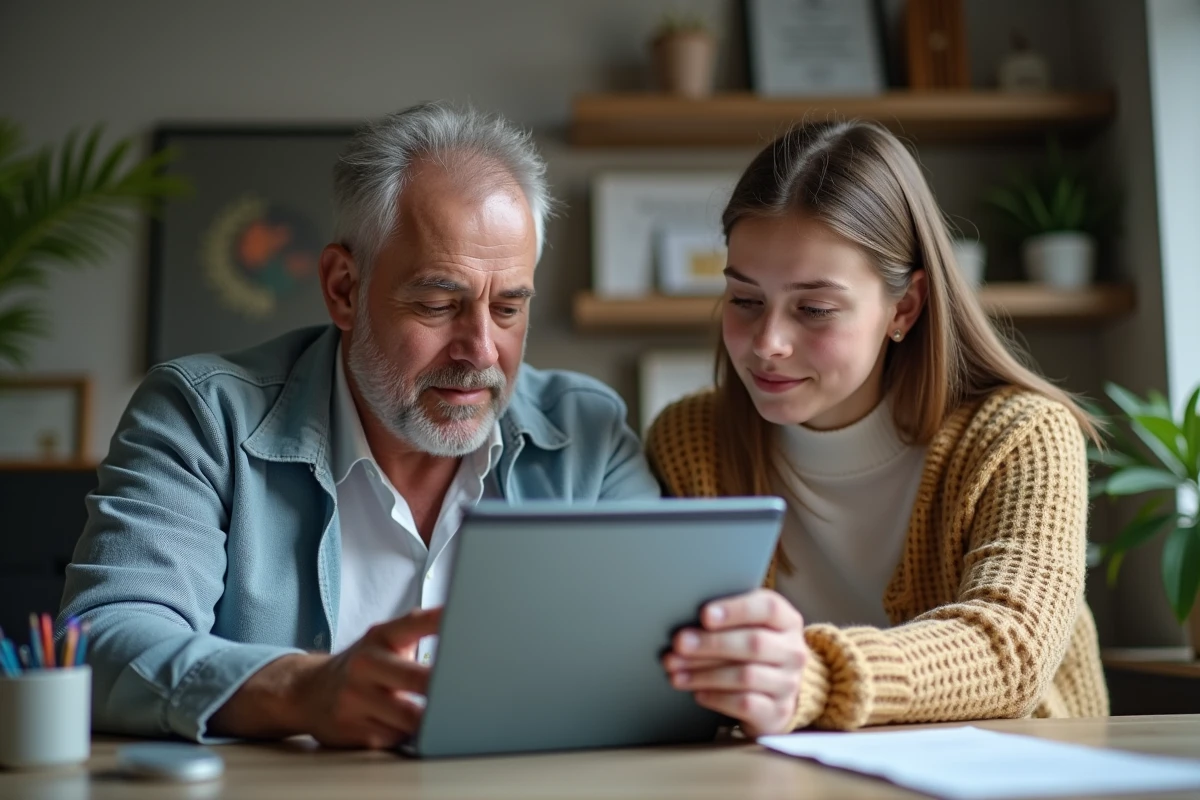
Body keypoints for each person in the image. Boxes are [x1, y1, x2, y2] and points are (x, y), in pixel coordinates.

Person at [58, 103, 659, 747]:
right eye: (438, 305)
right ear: (344, 288)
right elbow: (104, 640)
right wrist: (301, 691)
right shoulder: (201, 415)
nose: (481, 351)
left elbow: (656, 642)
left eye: (508, 309)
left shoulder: (588, 433)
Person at [647, 120, 1109, 737]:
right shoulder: (689, 440)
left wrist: (816, 678)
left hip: (1024, 769)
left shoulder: (1021, 437)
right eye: (745, 300)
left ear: (904, 307)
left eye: (815, 309)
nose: (768, 343)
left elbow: (1011, 652)